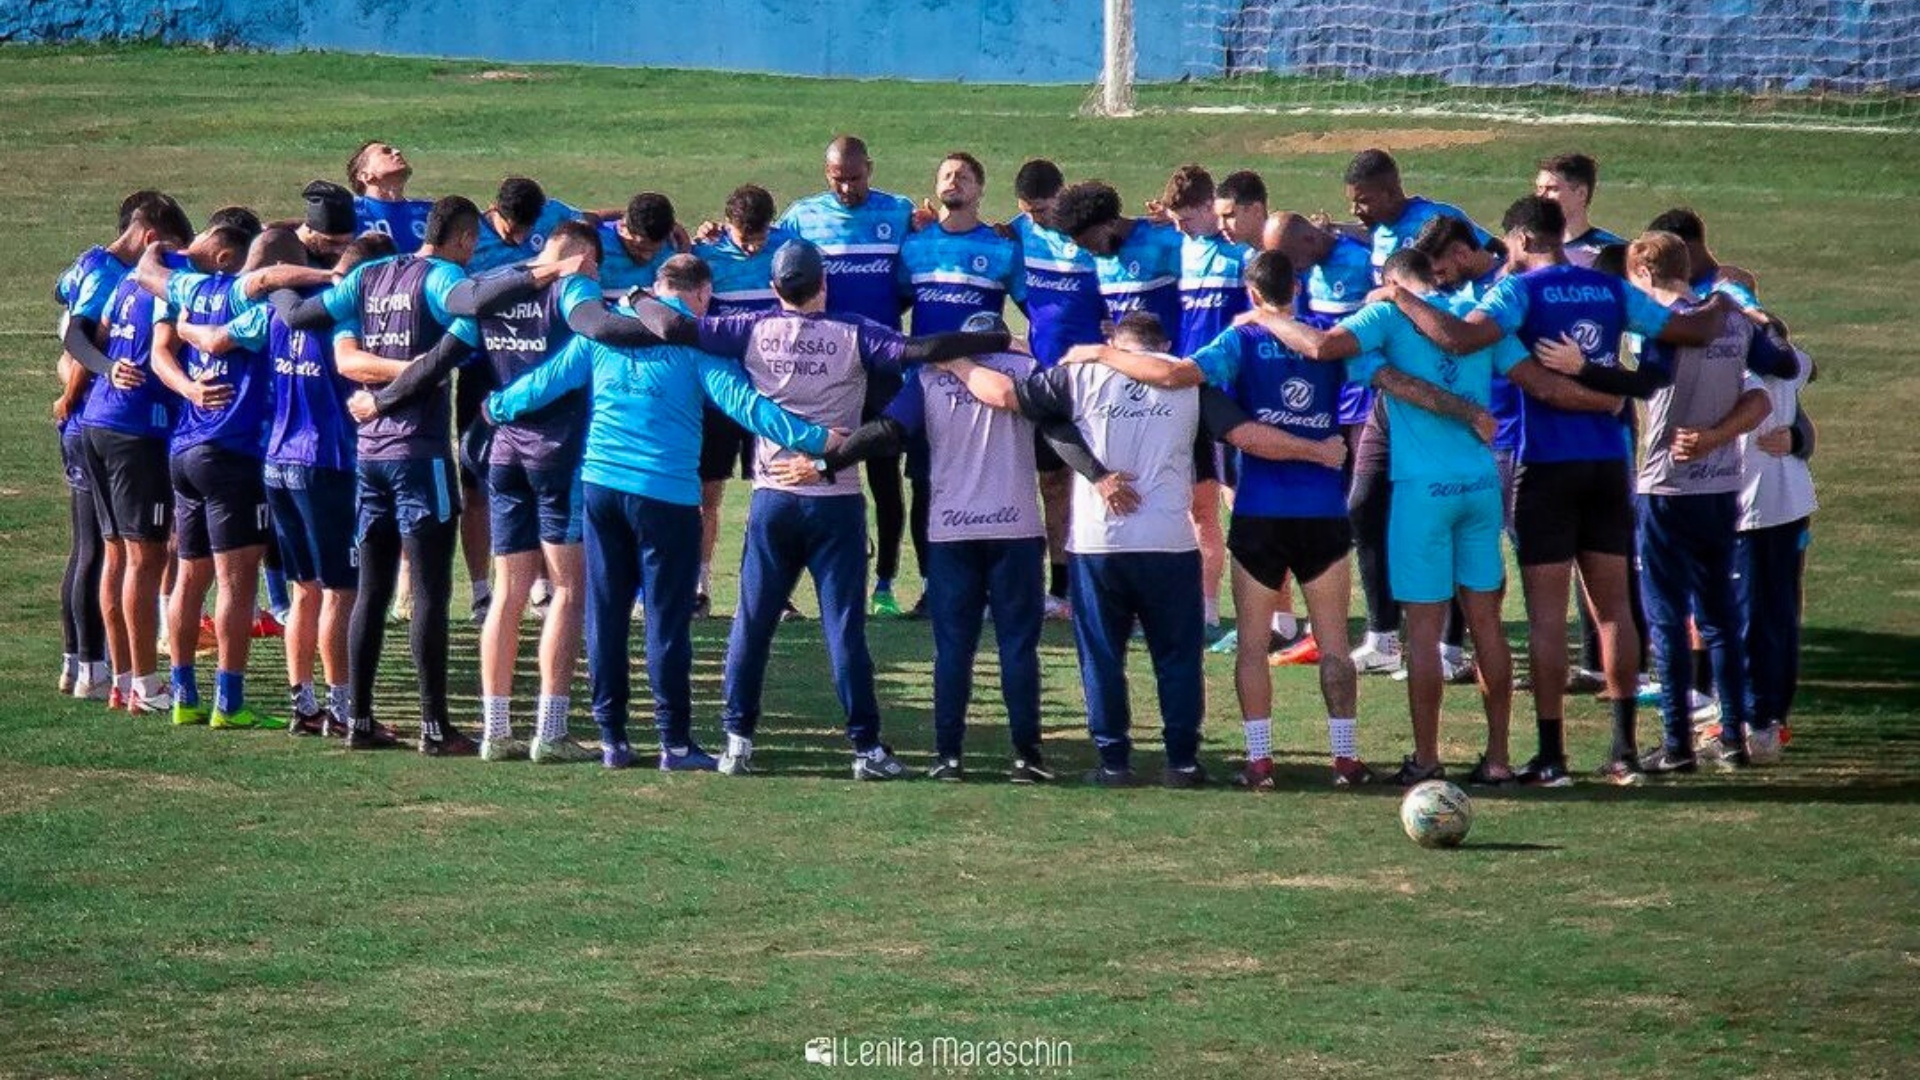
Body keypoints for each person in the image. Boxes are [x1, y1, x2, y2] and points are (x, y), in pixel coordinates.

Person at [1384, 196, 1734, 786]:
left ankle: (1552, 756)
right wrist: (1723, 300)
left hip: (1546, 465)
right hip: (1607, 462)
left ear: (1520, 239)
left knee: (1547, 618)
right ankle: (1623, 753)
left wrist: (1400, 295)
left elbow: (1459, 340)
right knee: (1614, 610)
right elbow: (1692, 327)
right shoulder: (1610, 288)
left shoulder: (1518, 291)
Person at [639, 239, 1011, 779]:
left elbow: (672, 328)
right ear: (824, 285)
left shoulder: (750, 328)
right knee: (843, 629)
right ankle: (867, 749)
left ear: (774, 289)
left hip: (772, 500)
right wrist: (996, 337)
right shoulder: (854, 332)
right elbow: (919, 351)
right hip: (834, 502)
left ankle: (737, 742)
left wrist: (635, 295)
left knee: (753, 623)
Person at [945, 312, 1354, 788]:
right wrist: (1318, 451)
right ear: (1161, 344)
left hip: (1099, 544)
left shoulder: (1079, 373)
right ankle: (1181, 761)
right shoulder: (1185, 380)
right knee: (1177, 656)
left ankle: (1113, 762)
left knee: (1101, 656)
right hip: (1169, 543)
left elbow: (1003, 396)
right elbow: (1246, 436)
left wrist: (955, 365)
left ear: (1115, 340)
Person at [484, 254, 842, 770]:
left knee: (604, 612)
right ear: (700, 294)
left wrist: (498, 407)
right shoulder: (692, 342)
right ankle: (674, 743)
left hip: (602, 488)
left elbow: (546, 381)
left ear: (658, 286)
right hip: (667, 497)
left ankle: (612, 739)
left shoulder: (604, 333)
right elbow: (748, 406)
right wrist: (817, 440)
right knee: (665, 620)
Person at [1055, 254, 1376, 788]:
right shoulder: (1330, 338)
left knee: (1252, 645)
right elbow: (1375, 375)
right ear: (1297, 286)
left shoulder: (1238, 341)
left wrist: (1100, 351)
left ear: (1251, 294)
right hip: (1324, 512)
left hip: (1259, 513)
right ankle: (1344, 757)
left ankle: (1260, 763)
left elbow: (1176, 373)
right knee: (1336, 644)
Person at [1242, 249, 1544, 784]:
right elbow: (1530, 377)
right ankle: (1498, 759)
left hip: (1423, 491)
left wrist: (1266, 315)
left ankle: (1427, 759)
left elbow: (1321, 347)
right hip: (1480, 484)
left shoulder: (1384, 314)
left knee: (1423, 634)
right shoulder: (1471, 317)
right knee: (1487, 625)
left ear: (1389, 281)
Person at [765, 312, 1105, 782]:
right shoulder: (1026, 372)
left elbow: (887, 432)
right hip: (1016, 531)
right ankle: (1027, 757)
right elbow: (1057, 438)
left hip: (950, 532)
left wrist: (827, 464)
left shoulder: (929, 377)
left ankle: (948, 757)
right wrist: (1099, 475)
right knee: (1018, 649)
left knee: (952, 650)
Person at [1534, 230, 1793, 773]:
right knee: (1720, 617)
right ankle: (1733, 739)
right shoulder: (1730, 318)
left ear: (1646, 275)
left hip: (1667, 487)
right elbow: (1781, 367)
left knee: (1668, 619)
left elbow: (1646, 383)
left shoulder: (1666, 327)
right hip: (1722, 485)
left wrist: (1580, 365)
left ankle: (1676, 745)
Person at [354, 222, 606, 763]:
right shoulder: (575, 289)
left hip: (503, 455)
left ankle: (495, 730)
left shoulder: (497, 289)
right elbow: (587, 347)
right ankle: (552, 731)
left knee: (509, 589)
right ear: (587, 259)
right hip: (556, 453)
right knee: (565, 591)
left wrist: (380, 402)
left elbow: (440, 358)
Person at [279, 195, 488, 753]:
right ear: (464, 240)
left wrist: (267, 281)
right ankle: (435, 728)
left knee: (371, 591)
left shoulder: (368, 275)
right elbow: (443, 359)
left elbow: (302, 316)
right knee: (429, 593)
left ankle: (362, 722)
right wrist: (393, 396)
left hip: (369, 457)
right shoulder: (444, 279)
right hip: (420, 455)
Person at [175, 233, 395, 737]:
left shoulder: (273, 312)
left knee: (304, 591)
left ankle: (305, 705)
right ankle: (343, 711)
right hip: (327, 462)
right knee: (342, 591)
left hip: (276, 462)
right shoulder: (347, 314)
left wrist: (184, 324)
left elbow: (216, 340)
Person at [139, 226, 316, 731]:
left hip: (185, 449)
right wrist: (329, 272)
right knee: (236, 584)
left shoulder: (195, 288)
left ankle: (184, 695)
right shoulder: (262, 307)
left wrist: (161, 249)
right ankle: (229, 701)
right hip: (234, 455)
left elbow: (149, 275)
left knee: (190, 577)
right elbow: (242, 318)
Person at [67, 200, 206, 717]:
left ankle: (124, 679)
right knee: (144, 560)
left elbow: (88, 333)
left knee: (117, 555)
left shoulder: (124, 284)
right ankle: (147, 686)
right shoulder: (168, 285)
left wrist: (104, 368)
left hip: (97, 425)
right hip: (136, 431)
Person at [777, 136, 918, 618]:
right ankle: (789, 588)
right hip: (823, 368)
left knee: (883, 475)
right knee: (808, 470)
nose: (847, 187)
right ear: (826, 173)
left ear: (869, 170)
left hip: (878, 366)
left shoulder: (898, 212)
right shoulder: (800, 217)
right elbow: (773, 266)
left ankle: (884, 585)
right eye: (838, 178)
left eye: (855, 178)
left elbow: (906, 285)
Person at [894, 150, 1026, 615]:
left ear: (980, 189)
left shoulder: (1002, 246)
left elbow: (1035, 309)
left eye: (964, 176)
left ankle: (988, 589)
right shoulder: (913, 247)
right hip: (927, 386)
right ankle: (935, 587)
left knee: (983, 485)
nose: (954, 181)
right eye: (947, 175)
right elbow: (893, 305)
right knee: (925, 487)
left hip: (981, 389)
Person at [691, 184, 791, 617]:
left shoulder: (789, 251)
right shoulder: (707, 257)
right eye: (743, 237)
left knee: (770, 496)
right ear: (726, 223)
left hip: (770, 396)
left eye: (759, 237)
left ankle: (773, 591)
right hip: (718, 399)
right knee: (706, 495)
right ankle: (699, 586)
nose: (752, 247)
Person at [1008, 158, 1101, 620]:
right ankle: (1060, 587)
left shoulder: (1091, 236)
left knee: (1100, 478)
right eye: (1029, 211)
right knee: (1052, 484)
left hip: (1097, 380)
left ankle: (1102, 584)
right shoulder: (1017, 233)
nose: (1037, 220)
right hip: (1046, 380)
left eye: (1043, 211)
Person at [1735, 341, 1817, 751]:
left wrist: (1800, 436)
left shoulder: (1736, 369)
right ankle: (1770, 716)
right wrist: (1802, 435)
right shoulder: (1785, 362)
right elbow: (1807, 366)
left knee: (1752, 614)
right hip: (1788, 503)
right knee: (1779, 612)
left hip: (1749, 510)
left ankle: (1758, 720)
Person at [1534, 153, 1624, 268]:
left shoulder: (1613, 252)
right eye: (1539, 188)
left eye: (1552, 189)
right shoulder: (1527, 251)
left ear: (1581, 193)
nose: (1541, 196)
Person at [347, 141, 433, 254]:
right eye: (386, 152)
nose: (397, 152)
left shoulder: (431, 212)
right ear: (366, 176)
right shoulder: (348, 211)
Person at [598, 192, 679, 298]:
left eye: (655, 250)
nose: (646, 257)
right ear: (623, 227)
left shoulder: (673, 246)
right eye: (639, 248)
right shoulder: (594, 246)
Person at [1213, 170, 1269, 249]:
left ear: (1257, 210)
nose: (1221, 226)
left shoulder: (1288, 252)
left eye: (1229, 216)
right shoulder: (1233, 256)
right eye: (1218, 217)